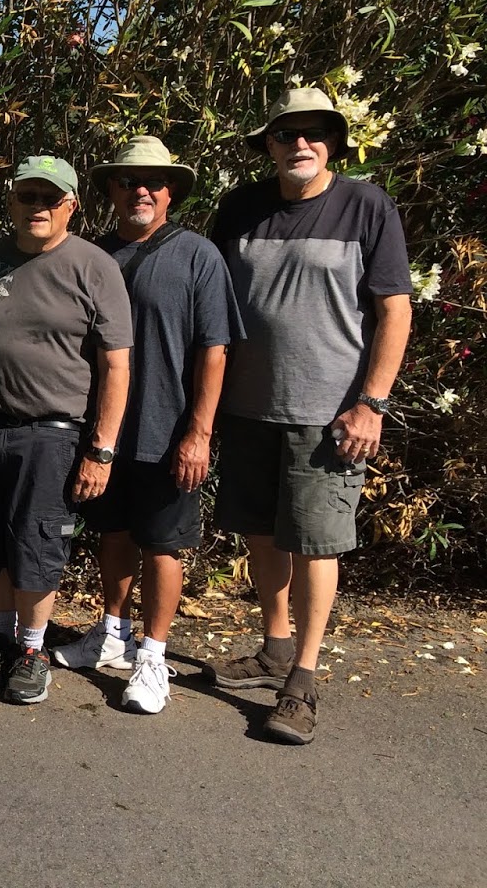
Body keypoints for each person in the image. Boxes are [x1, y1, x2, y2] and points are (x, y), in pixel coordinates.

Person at [206, 87, 411, 744]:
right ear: (268, 144)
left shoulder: (366, 206)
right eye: (286, 133)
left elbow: (395, 310)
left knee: (315, 543)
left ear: (333, 144)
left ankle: (302, 677)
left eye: (315, 133)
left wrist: (371, 403)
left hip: (329, 416)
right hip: (246, 407)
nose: (301, 144)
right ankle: (274, 646)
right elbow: (214, 303)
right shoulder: (239, 208)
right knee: (261, 534)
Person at [51, 137, 243, 715]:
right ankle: (113, 633)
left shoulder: (197, 255)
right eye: (129, 180)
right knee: (112, 534)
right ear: (111, 190)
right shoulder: (91, 254)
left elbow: (215, 349)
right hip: (103, 432)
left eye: (154, 181)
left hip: (168, 430)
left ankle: (153, 655)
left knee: (163, 544)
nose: (142, 190)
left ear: (171, 192)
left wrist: (199, 433)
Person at [0, 155, 133, 707]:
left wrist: (102, 449)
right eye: (27, 196)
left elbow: (116, 364)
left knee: (36, 543)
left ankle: (32, 649)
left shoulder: (94, 266)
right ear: (11, 201)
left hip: (54, 432)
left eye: (50, 198)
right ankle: (1, 638)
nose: (38, 207)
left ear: (70, 206)